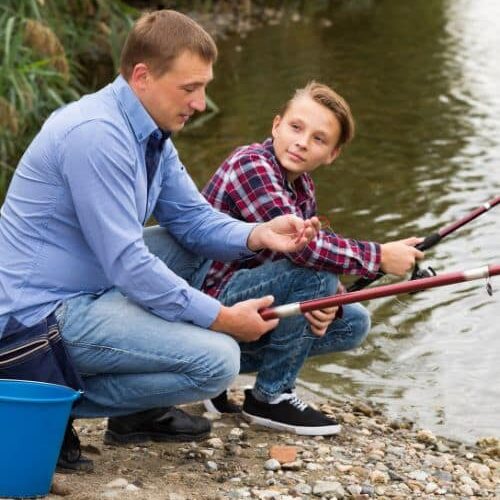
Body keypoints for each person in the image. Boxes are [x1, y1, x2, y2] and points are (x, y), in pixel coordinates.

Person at [0, 11, 321, 472]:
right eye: (189, 88)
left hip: (91, 287)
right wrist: (221, 318)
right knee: (218, 361)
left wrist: (258, 233)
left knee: (187, 245)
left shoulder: (151, 132)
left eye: (204, 87)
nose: (201, 102)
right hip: (34, 318)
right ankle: (42, 398)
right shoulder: (96, 134)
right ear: (143, 76)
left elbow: (191, 219)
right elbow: (128, 263)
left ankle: (132, 411)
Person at [201, 81, 424, 435]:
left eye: (319, 139)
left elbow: (315, 247)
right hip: (208, 299)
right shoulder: (251, 165)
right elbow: (303, 248)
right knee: (314, 273)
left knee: (352, 320)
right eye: (295, 127)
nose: (302, 142)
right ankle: (270, 398)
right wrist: (380, 256)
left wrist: (327, 302)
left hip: (249, 301)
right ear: (276, 125)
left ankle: (212, 374)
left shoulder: (301, 184)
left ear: (332, 154)